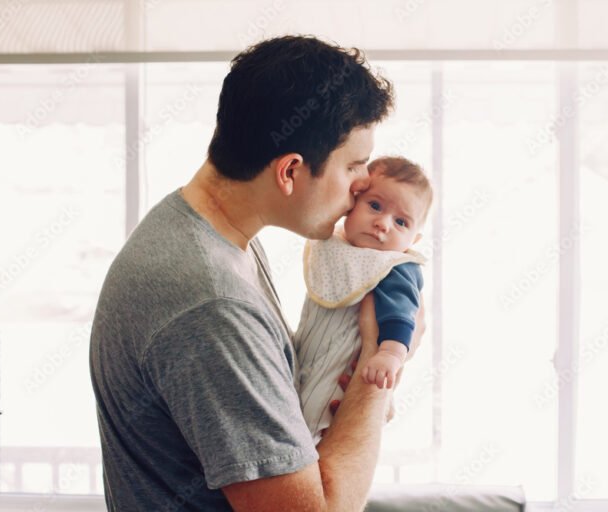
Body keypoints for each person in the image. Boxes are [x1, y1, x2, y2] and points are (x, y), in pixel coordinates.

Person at [89, 35, 424, 511]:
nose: (363, 186)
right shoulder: (210, 303)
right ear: (289, 171)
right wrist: (378, 369)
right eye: (354, 167)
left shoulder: (208, 234)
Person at [294, 156, 433, 443]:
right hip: (310, 357)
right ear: (351, 205)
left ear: (414, 239)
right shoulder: (335, 245)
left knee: (311, 426)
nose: (383, 224)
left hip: (346, 371)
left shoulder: (394, 268)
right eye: (375, 206)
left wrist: (390, 355)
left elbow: (402, 315)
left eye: (401, 222)